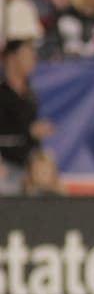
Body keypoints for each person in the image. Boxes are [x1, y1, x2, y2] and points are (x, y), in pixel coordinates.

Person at [0, 40, 54, 195]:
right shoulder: (2, 94)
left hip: (29, 169)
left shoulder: (30, 95)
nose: (32, 61)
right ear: (11, 58)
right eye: (27, 55)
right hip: (6, 169)